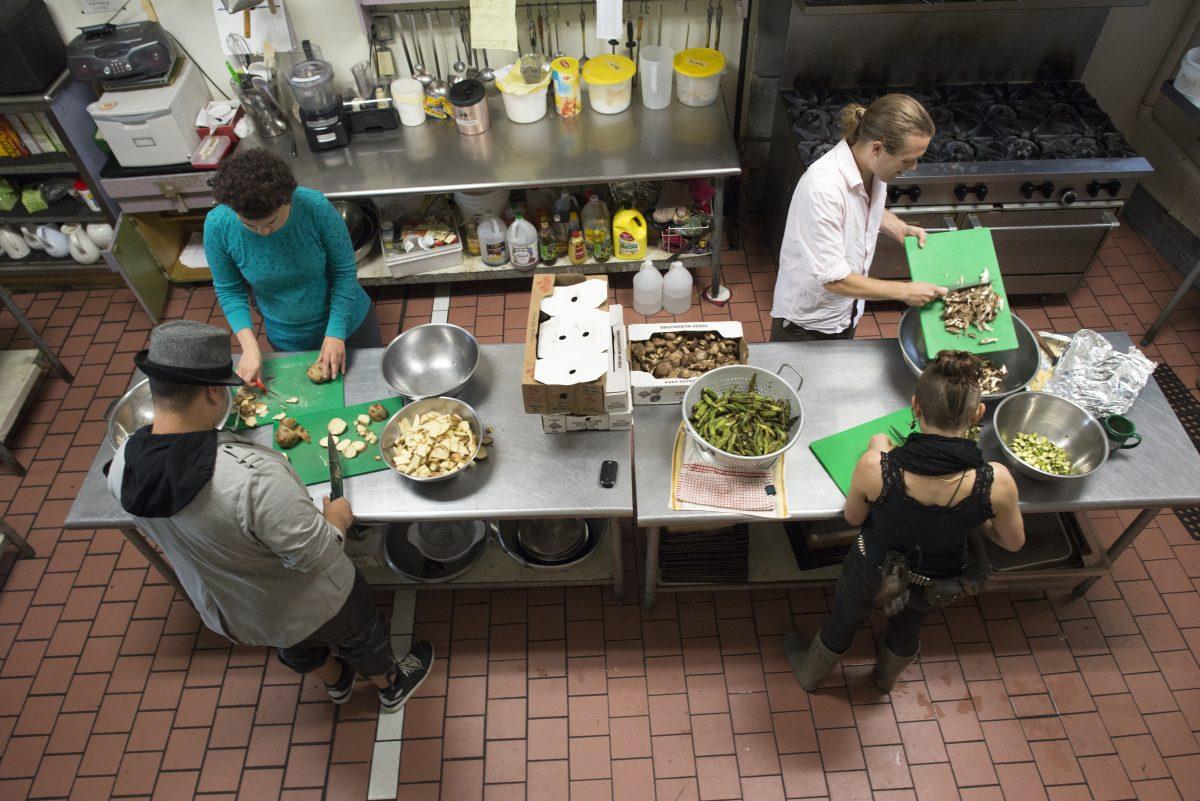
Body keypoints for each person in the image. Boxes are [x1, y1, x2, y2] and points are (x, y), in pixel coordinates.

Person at [107, 320, 432, 712]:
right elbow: (317, 553)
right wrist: (336, 519)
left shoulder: (123, 464)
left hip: (235, 611)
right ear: (213, 392)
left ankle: (336, 681)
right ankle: (390, 685)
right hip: (311, 604)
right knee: (361, 633)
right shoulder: (251, 477)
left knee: (294, 647)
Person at [785, 351, 1025, 692]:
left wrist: (878, 449)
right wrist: (976, 517)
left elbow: (854, 517)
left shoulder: (876, 466)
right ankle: (885, 679)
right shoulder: (995, 482)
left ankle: (811, 675)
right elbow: (1012, 542)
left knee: (845, 617)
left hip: (872, 566)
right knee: (909, 623)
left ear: (915, 407)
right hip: (938, 577)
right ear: (978, 414)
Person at [771, 94, 948, 342]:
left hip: (847, 311)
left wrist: (896, 226)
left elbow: (858, 206)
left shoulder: (872, 168)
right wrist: (905, 291)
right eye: (908, 160)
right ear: (877, 148)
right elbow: (836, 280)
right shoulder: (823, 187)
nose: (913, 167)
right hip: (807, 324)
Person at [205, 147, 380, 385]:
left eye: (271, 221)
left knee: (369, 388)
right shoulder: (217, 226)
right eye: (250, 225)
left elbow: (344, 272)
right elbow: (230, 290)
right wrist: (248, 345)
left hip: (349, 325)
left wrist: (336, 331)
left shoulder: (315, 207)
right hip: (286, 336)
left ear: (288, 199)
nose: (263, 232)